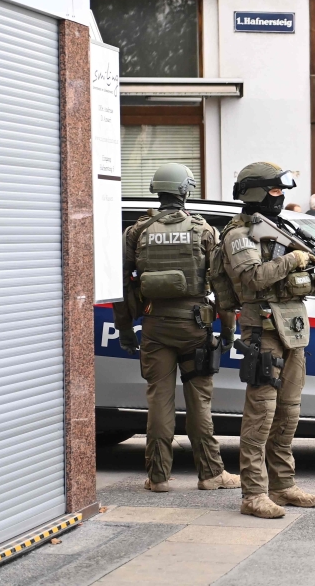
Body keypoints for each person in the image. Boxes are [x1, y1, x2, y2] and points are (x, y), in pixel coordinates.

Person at [112, 163, 241, 494]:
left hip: (155, 326)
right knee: (199, 402)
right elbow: (222, 287)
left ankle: (158, 477)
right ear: (186, 190)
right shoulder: (204, 230)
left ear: (158, 191)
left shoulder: (137, 232)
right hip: (195, 325)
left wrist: (126, 332)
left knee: (159, 401)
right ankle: (211, 474)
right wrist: (227, 330)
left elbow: (123, 288)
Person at [219, 162, 315, 518]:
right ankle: (253, 493)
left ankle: (282, 484)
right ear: (256, 191)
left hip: (292, 327)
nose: (281, 198)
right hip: (262, 330)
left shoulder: (277, 228)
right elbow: (253, 278)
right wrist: (296, 261)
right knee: (261, 414)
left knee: (289, 412)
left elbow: (299, 278)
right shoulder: (238, 235)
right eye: (275, 191)